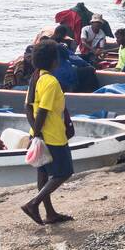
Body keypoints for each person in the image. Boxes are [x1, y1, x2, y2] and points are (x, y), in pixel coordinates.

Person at [21, 40, 76, 225]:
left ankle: (50, 213)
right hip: (52, 136)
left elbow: (28, 108)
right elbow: (43, 111)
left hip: (38, 133)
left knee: (43, 175)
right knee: (64, 172)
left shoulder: (35, 77)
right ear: (54, 61)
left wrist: (34, 134)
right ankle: (33, 204)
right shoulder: (51, 82)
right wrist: (38, 134)